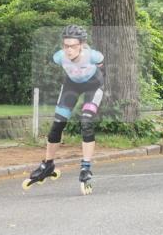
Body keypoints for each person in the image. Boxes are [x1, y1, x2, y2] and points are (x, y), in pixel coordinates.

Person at [23, 25, 104, 195]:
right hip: (71, 86)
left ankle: (86, 168)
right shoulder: (59, 57)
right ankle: (48, 164)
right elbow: (60, 58)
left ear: (81, 45)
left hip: (93, 86)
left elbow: (101, 62)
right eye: (66, 46)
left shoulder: (93, 56)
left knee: (86, 121)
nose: (69, 50)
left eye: (73, 46)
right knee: (58, 124)